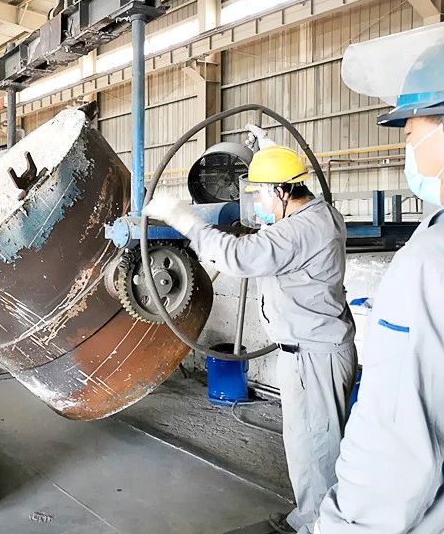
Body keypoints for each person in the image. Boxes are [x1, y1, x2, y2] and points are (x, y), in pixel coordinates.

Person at [145, 144, 356, 534]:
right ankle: (308, 517)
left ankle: (322, 526)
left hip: (313, 356)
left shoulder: (304, 228)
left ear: (282, 191)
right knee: (306, 447)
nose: (256, 203)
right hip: (310, 352)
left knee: (318, 449)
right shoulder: (316, 215)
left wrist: (183, 219)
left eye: (260, 193)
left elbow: (239, 257)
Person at [313, 26, 444, 532]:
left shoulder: (429, 260)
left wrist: (343, 524)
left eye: (411, 133)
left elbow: (396, 441)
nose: (408, 145)